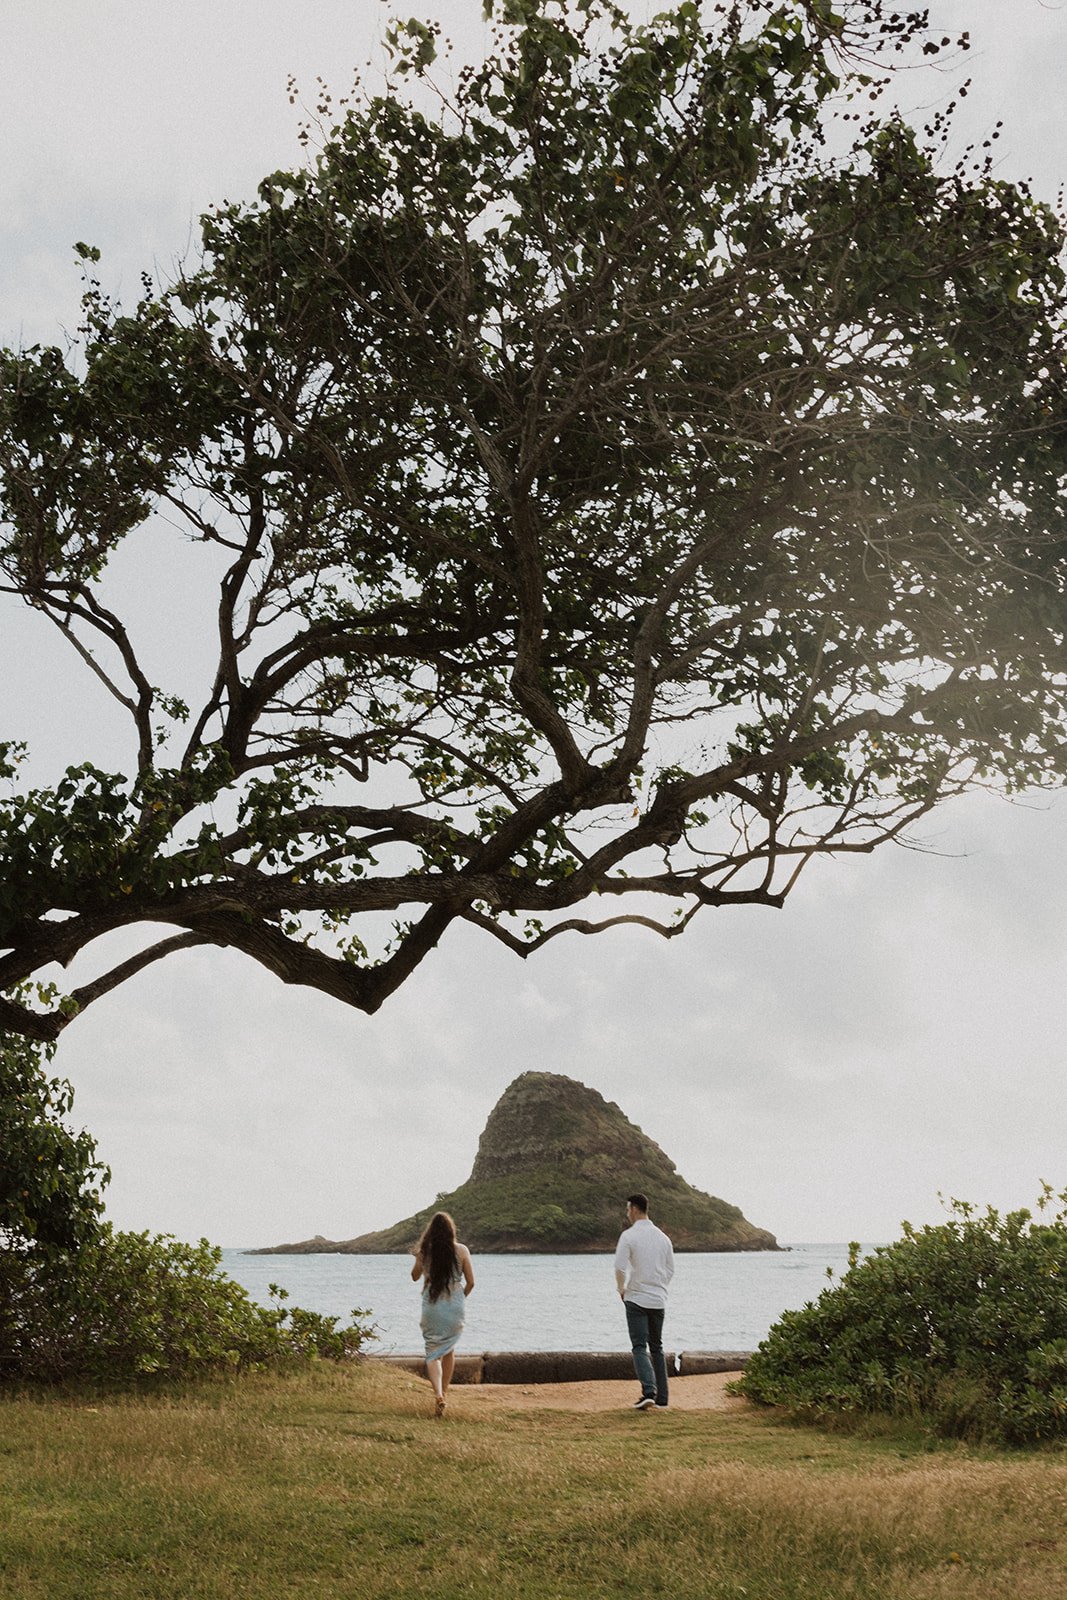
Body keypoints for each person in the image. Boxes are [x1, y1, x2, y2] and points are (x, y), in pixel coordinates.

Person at [411, 1211, 475, 1417]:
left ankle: (438, 1393)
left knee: (432, 1352)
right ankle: (444, 1394)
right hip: (454, 1304)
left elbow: (414, 1277)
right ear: (451, 1230)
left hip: (432, 1305)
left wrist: (419, 1258)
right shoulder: (462, 1250)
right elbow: (471, 1282)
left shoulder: (425, 1251)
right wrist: (460, 1298)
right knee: (448, 1349)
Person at [614, 1192, 674, 1411]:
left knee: (639, 1346)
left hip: (636, 1298)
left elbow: (620, 1267)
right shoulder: (663, 1238)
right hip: (658, 1299)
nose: (627, 1213)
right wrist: (659, 1287)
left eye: (627, 1209)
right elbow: (670, 1270)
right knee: (657, 1347)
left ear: (634, 1209)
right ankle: (663, 1398)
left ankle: (649, 1391)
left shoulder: (629, 1236)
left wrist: (622, 1289)